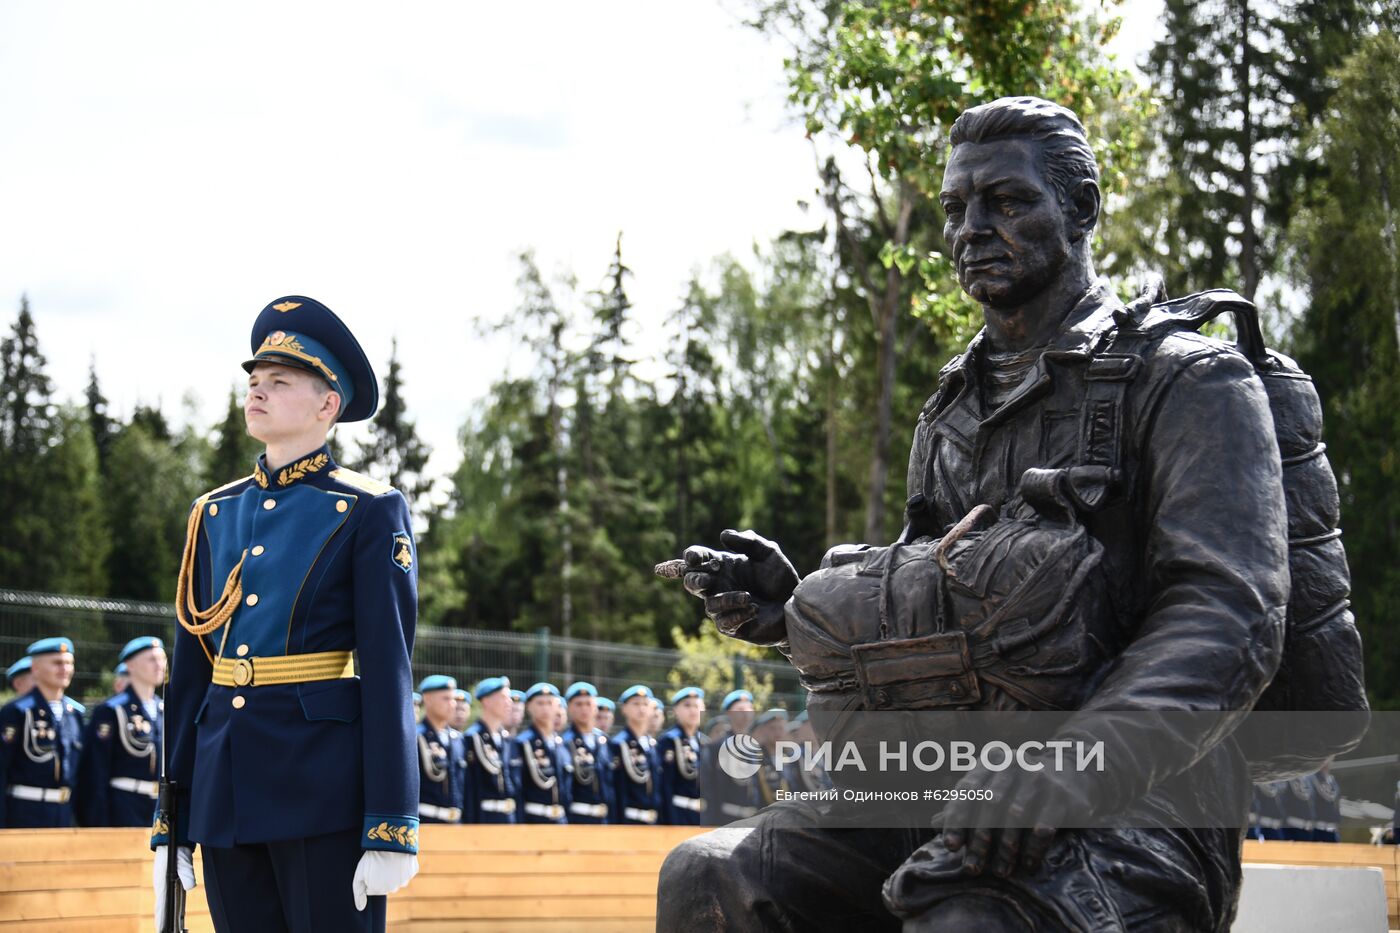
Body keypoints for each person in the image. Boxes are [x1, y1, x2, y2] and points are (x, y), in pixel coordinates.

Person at [663, 97, 1292, 932]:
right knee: (710, 876)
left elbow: (1229, 616)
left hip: (1135, 810)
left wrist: (1074, 763)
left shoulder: (1186, 380)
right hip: (935, 788)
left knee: (967, 914)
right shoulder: (950, 409)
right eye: (956, 209)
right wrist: (798, 613)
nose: (970, 229)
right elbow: (953, 597)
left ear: (1083, 210)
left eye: (1007, 202)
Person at [153, 296, 420, 933]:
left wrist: (392, 823)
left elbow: (388, 672)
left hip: (320, 788)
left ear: (328, 405)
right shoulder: (213, 512)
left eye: (279, 382)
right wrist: (174, 814)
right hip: (223, 790)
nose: (258, 392)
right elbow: (191, 677)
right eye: (254, 381)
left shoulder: (366, 509)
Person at [77, 636, 167, 827]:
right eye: (152, 659)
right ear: (130, 665)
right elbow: (95, 771)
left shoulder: (165, 709)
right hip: (124, 806)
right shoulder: (111, 710)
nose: (159, 665)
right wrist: (98, 821)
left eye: (162, 658)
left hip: (161, 807)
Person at [0, 637, 85, 828]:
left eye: (69, 663)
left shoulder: (74, 713)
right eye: (57, 663)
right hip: (24, 813)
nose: (64, 669)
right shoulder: (17, 712)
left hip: (65, 813)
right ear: (36, 668)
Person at [510, 682, 570, 823]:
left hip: (561, 820)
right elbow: (518, 790)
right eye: (540, 703)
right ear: (529, 707)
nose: (545, 708)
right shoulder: (522, 743)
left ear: (557, 706)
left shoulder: (562, 744)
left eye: (549, 703)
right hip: (534, 820)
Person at [699, 689, 758, 826]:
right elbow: (709, 789)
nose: (746, 713)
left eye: (749, 708)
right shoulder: (716, 748)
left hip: (751, 821)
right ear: (729, 713)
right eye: (741, 709)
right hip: (724, 820)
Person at [463, 677, 516, 823]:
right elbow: (469, 787)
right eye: (504, 697)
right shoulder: (472, 738)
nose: (509, 703)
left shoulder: (506, 739)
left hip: (509, 817)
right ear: (486, 701)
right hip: (484, 817)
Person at [609, 685, 662, 825]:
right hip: (629, 820)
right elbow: (617, 790)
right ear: (624, 708)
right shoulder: (618, 744)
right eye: (636, 704)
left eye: (645, 704)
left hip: (653, 820)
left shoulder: (652, 744)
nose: (642, 709)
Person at [416, 675, 466, 824]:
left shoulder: (457, 739)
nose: (453, 704)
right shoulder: (416, 737)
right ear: (428, 699)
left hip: (455, 823)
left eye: (453, 699)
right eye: (446, 698)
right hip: (426, 821)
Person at [561, 681, 612, 824]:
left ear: (595, 707)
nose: (584, 709)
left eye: (588, 704)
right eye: (578, 704)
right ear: (569, 708)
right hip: (577, 819)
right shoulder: (565, 742)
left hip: (604, 819)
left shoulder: (604, 741)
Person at [659, 687, 706, 825]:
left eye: (697, 705)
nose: (693, 710)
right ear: (675, 711)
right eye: (687, 705)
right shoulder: (669, 741)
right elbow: (665, 786)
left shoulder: (705, 742)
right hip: (678, 814)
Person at [1310, 763, 1341, 842]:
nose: (1326, 765)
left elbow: (1336, 803)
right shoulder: (1313, 778)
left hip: (1331, 827)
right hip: (1318, 827)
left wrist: (1337, 820)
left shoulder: (1331, 780)